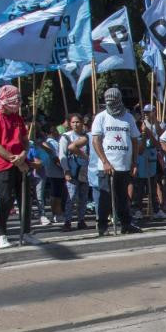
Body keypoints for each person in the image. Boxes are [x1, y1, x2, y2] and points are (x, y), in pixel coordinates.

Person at [0, 85, 39, 248]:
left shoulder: (18, 118)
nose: (17, 103)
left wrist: (23, 155)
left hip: (21, 163)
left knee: (25, 199)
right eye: (14, 100)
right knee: (5, 200)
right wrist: (13, 159)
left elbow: (24, 140)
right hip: (4, 165)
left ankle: (26, 232)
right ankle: (2, 235)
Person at [89, 87, 142, 236]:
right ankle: (102, 227)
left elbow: (135, 140)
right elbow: (96, 141)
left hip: (124, 165)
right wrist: (105, 161)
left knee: (123, 197)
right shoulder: (101, 117)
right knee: (105, 197)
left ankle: (126, 224)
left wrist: (134, 162)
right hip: (106, 166)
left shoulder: (129, 118)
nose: (112, 105)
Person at [58, 114, 90, 232]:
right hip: (72, 170)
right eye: (73, 122)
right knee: (71, 197)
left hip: (85, 170)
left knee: (83, 197)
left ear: (82, 123)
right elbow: (62, 155)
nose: (75, 124)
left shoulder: (86, 137)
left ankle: (81, 220)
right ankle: (67, 221)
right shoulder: (66, 137)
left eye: (78, 122)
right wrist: (66, 170)